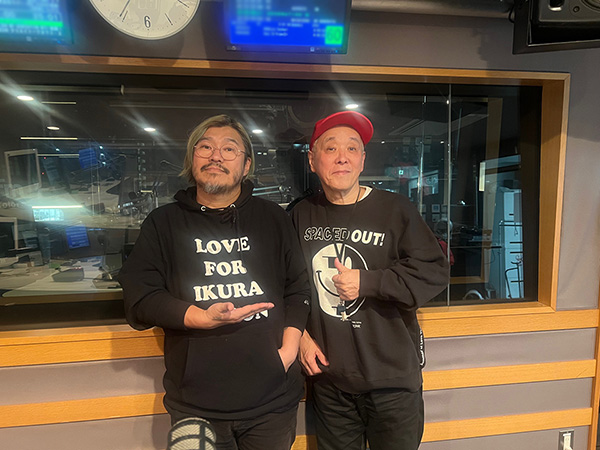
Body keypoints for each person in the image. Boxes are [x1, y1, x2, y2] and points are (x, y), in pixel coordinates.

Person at [119, 114, 311, 450]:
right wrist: (201, 317)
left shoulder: (273, 218)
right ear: (192, 159)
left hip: (273, 401)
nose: (216, 156)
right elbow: (140, 298)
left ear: (246, 165)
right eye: (205, 147)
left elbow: (298, 289)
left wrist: (288, 352)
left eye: (229, 149)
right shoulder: (163, 223)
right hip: (194, 404)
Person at [290, 111, 450, 450]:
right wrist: (300, 337)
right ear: (313, 160)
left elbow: (434, 271)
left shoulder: (396, 209)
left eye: (352, 148)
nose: (342, 157)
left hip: (392, 382)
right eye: (331, 148)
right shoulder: (300, 214)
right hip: (330, 382)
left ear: (362, 160)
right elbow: (285, 285)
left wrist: (369, 282)